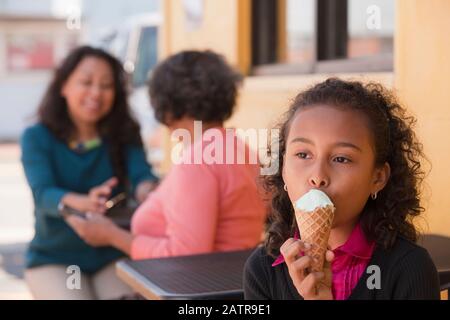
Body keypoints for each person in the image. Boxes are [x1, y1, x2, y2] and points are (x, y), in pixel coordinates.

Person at [243, 78, 440, 300]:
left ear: (377, 178)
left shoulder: (409, 269)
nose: (317, 177)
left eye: (341, 158)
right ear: (283, 170)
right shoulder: (263, 270)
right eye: (303, 154)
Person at [74, 50, 267, 260]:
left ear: (169, 105)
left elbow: (185, 255)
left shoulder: (198, 161)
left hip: (196, 285)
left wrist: (112, 236)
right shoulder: (240, 148)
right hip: (235, 280)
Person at [21, 46, 158, 299]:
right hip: (56, 259)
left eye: (106, 85)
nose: (96, 92)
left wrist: (150, 191)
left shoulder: (125, 132)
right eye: (86, 82)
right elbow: (43, 193)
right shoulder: (36, 137)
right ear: (63, 86)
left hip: (111, 253)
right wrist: (81, 202)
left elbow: (142, 176)